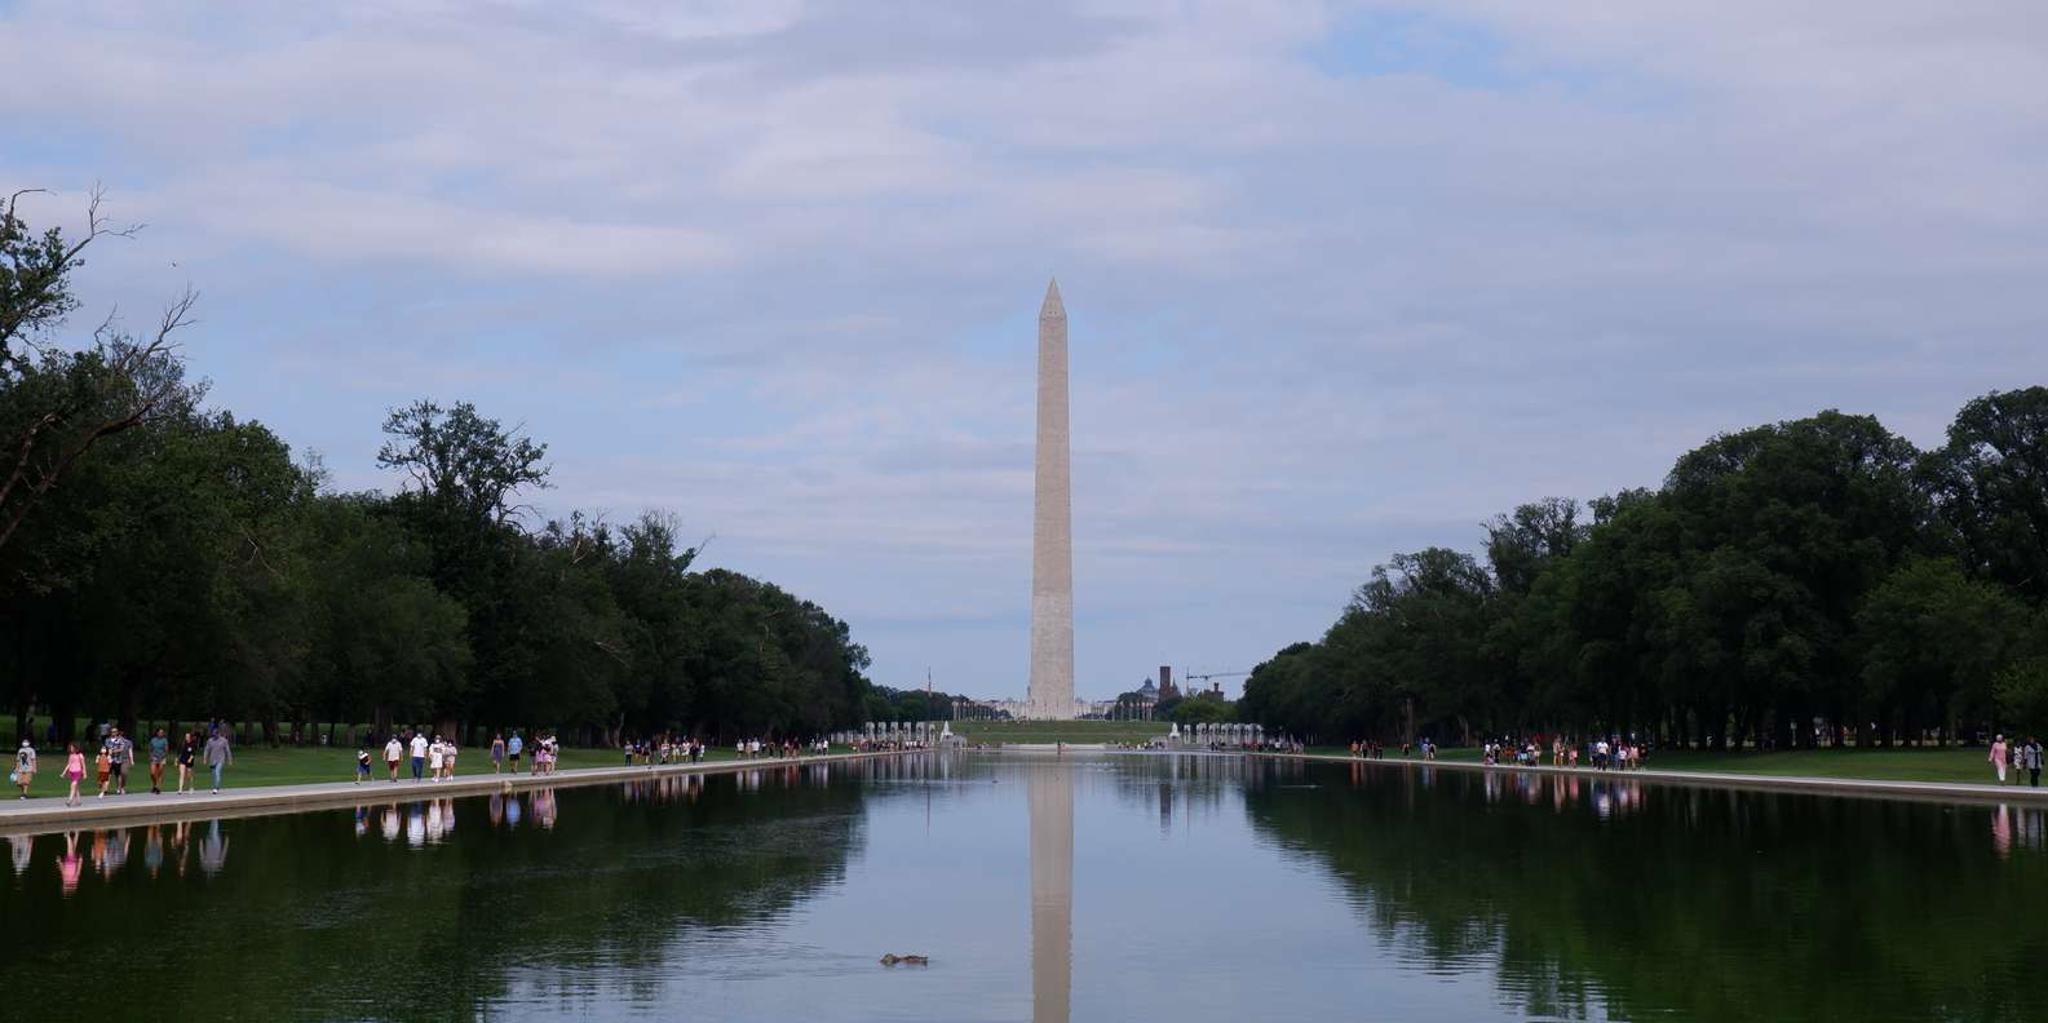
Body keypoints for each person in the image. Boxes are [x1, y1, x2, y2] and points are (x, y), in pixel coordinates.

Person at [105, 726, 135, 795]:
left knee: (123, 773)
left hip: (124, 759)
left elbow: (129, 751)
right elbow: (108, 748)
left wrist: (132, 760)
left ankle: (121, 787)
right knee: (110, 774)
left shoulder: (128, 742)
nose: (120, 735)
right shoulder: (110, 740)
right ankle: (106, 789)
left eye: (121, 734)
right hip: (114, 759)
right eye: (119, 734)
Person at [203, 729, 232, 793]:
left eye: (216, 734)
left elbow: (227, 750)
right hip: (212, 760)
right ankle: (215, 786)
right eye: (214, 735)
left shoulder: (224, 741)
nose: (215, 736)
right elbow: (207, 750)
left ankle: (216, 787)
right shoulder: (210, 741)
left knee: (217, 772)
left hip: (220, 759)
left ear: (218, 734)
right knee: (213, 774)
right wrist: (205, 758)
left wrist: (229, 759)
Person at [147, 728, 169, 794]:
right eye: (160, 732)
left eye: (162, 732)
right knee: (152, 773)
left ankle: (158, 787)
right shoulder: (153, 740)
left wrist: (163, 756)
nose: (161, 733)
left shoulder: (164, 740)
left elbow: (166, 750)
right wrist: (151, 756)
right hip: (154, 757)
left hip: (162, 758)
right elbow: (150, 749)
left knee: (160, 772)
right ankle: (155, 784)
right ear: (157, 733)